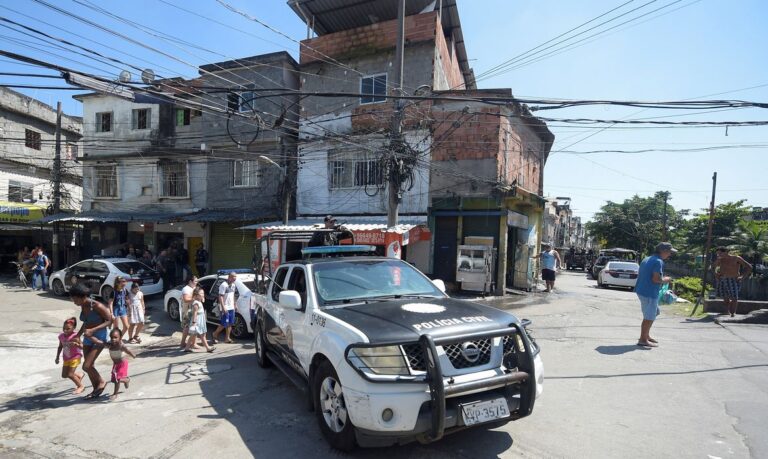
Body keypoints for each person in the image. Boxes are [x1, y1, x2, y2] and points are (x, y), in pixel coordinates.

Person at [71, 283, 112, 399]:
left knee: (86, 366)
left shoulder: (97, 305)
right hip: (88, 336)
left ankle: (101, 382)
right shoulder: (83, 306)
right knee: (90, 366)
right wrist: (78, 335)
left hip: (99, 336)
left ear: (83, 296)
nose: (74, 302)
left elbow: (109, 321)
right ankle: (95, 390)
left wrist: (93, 329)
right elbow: (86, 322)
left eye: (75, 299)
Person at [635, 242, 676, 348]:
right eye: (669, 252)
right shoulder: (658, 261)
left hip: (642, 290)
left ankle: (646, 335)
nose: (670, 255)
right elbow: (656, 279)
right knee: (649, 316)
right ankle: (643, 339)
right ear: (663, 251)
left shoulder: (647, 258)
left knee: (654, 313)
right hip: (649, 293)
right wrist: (667, 279)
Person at [90, 328, 135, 401]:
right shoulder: (110, 345)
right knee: (113, 380)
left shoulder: (121, 346)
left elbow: (128, 351)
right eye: (112, 337)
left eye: (115, 337)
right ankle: (126, 380)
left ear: (120, 337)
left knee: (117, 379)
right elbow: (99, 342)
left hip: (122, 363)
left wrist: (133, 355)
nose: (113, 339)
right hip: (116, 364)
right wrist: (90, 336)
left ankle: (115, 394)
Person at [713, 247, 753, 317]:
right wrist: (716, 273)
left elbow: (749, 267)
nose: (719, 255)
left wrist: (742, 277)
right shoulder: (720, 260)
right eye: (718, 253)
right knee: (725, 297)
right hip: (722, 279)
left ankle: (733, 312)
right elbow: (712, 267)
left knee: (734, 297)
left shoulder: (736, 258)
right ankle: (726, 311)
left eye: (720, 253)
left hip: (733, 279)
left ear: (726, 252)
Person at [55, 317, 85, 394]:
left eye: (68, 329)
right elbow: (60, 346)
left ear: (74, 328)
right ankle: (79, 375)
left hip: (75, 357)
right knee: (64, 375)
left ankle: (80, 386)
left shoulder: (75, 336)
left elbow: (82, 347)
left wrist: (76, 344)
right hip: (66, 358)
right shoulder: (61, 336)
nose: (65, 330)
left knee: (70, 374)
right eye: (64, 328)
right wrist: (57, 357)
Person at [185, 287, 215, 353]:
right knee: (202, 334)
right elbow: (195, 313)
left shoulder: (198, 301)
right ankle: (208, 348)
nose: (203, 294)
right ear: (196, 295)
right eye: (201, 293)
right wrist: (194, 322)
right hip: (198, 320)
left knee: (193, 334)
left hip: (200, 319)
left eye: (203, 293)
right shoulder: (196, 303)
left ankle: (187, 348)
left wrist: (202, 298)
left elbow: (203, 300)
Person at [212, 272, 237, 344]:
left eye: (235, 278)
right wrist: (223, 307)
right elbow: (220, 296)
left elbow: (233, 295)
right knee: (224, 323)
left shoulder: (233, 285)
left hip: (231, 307)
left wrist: (235, 304)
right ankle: (215, 334)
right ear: (229, 277)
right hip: (225, 307)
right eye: (233, 277)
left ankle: (227, 338)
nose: (234, 279)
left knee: (230, 323)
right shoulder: (223, 285)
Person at [179, 276, 198, 349]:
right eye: (195, 281)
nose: (197, 282)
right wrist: (195, 298)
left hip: (193, 310)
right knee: (187, 327)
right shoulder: (186, 289)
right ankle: (183, 342)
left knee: (194, 327)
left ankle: (193, 343)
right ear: (190, 281)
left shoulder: (193, 288)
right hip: (187, 311)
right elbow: (186, 299)